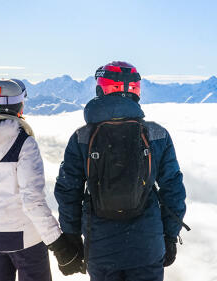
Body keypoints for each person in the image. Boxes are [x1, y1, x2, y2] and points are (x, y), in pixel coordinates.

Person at [54, 61, 188, 281]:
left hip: (100, 247)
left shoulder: (81, 137)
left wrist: (71, 236)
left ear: (101, 88)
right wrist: (170, 235)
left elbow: (68, 190)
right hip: (147, 245)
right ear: (136, 91)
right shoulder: (157, 134)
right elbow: (172, 187)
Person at [0, 79, 84, 281]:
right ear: (17, 105)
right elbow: (32, 200)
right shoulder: (23, 142)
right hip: (26, 238)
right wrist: (58, 245)